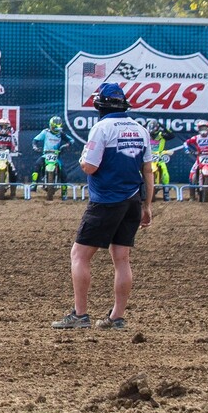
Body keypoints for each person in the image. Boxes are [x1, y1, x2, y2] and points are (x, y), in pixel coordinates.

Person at [53, 80, 152, 331]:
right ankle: (116, 317)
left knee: (79, 255)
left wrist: (83, 159)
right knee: (122, 258)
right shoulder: (140, 129)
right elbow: (148, 170)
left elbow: (90, 166)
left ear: (100, 104)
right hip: (132, 200)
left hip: (106, 201)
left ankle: (80, 314)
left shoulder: (101, 128)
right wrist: (147, 205)